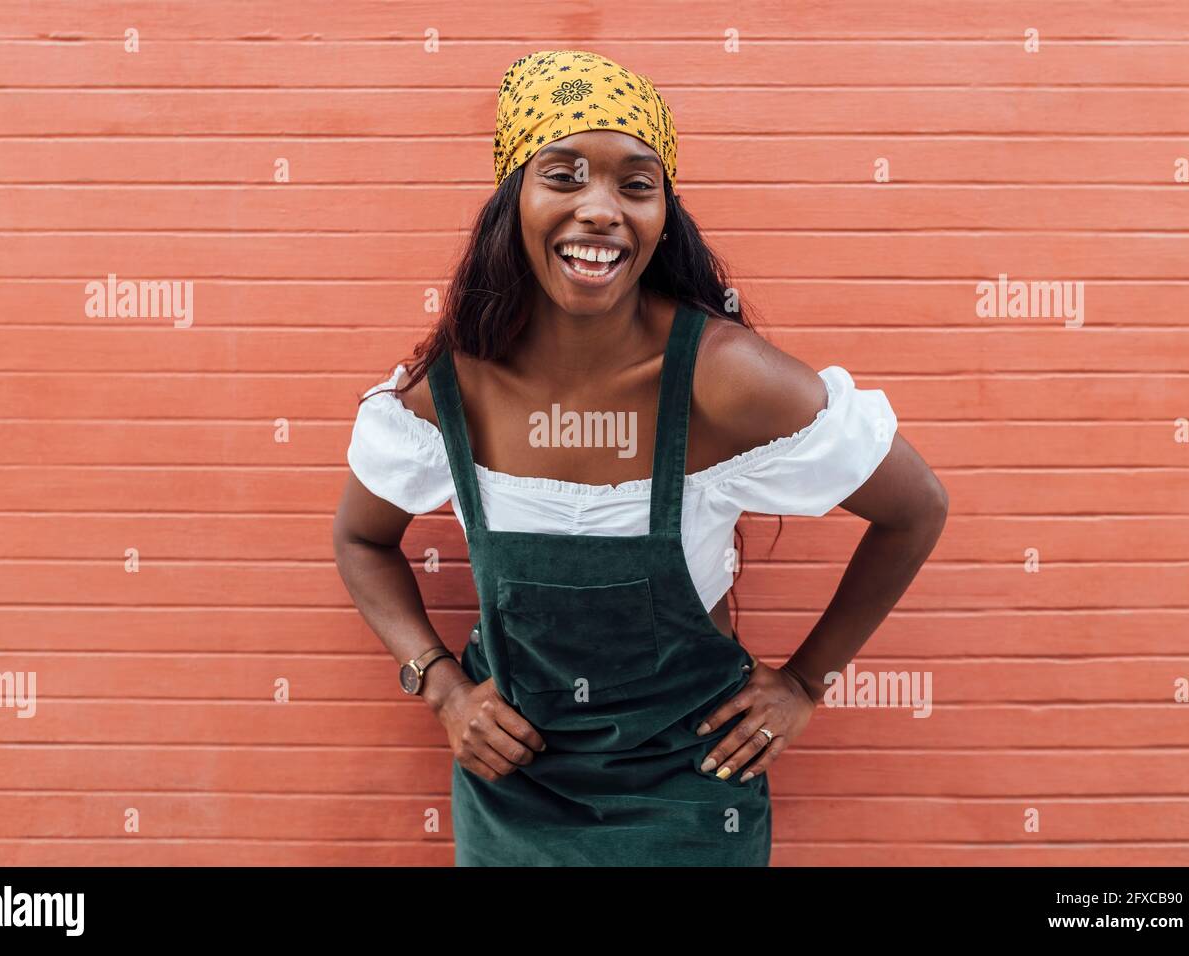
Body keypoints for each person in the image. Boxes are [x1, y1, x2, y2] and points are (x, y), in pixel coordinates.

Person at [333, 49, 949, 866]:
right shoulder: (452, 391)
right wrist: (441, 687)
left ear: (665, 215)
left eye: (636, 183)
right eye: (563, 175)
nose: (601, 209)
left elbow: (916, 508)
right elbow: (361, 540)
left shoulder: (723, 380)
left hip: (691, 786)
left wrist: (805, 682)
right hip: (516, 795)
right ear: (510, 200)